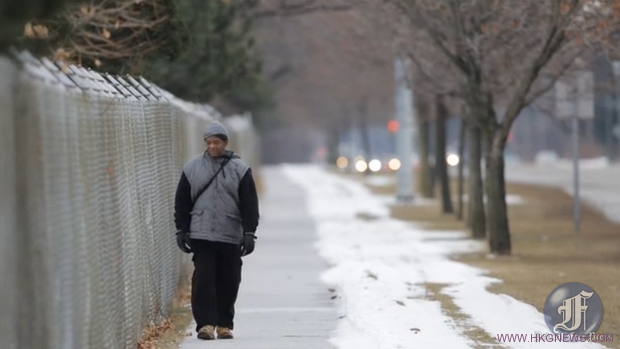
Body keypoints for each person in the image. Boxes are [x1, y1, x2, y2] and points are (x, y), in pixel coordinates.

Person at [174, 120, 259, 340]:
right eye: (209, 142)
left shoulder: (240, 169)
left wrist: (249, 232)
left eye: (216, 142)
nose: (212, 146)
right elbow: (182, 202)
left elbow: (250, 203)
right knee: (203, 278)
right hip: (201, 233)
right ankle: (205, 324)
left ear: (225, 142)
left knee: (229, 278)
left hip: (230, 233)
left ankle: (224, 324)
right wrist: (182, 230)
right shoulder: (192, 168)